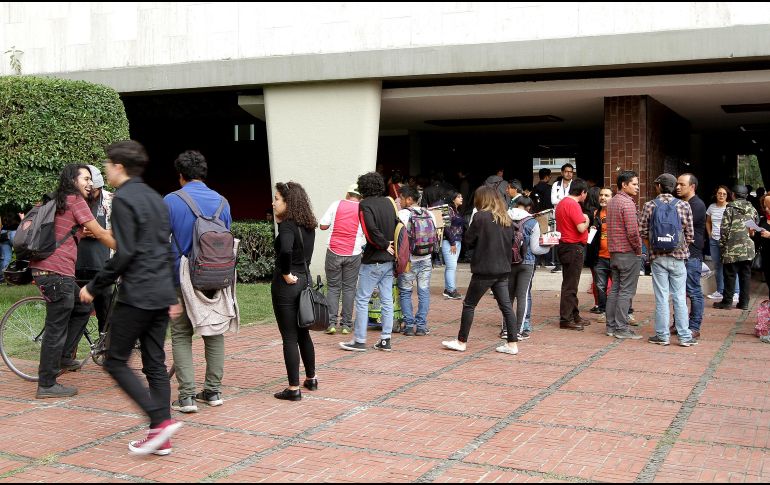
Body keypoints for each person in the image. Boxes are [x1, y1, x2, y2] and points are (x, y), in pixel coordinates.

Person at [80, 141, 182, 455]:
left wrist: (94, 287)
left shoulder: (123, 199)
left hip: (137, 294)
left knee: (115, 360)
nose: (105, 171)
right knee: (154, 364)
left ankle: (158, 421)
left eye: (108, 165)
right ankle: (161, 437)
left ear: (119, 167)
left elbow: (124, 253)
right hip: (160, 293)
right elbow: (165, 249)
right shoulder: (155, 197)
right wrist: (171, 293)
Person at [32, 164, 116, 399]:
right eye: (85, 179)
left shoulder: (61, 200)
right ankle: (47, 383)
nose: (90, 183)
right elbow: (99, 233)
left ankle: (65, 356)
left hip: (51, 271)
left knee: (83, 306)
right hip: (55, 272)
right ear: (72, 180)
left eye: (92, 179)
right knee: (55, 328)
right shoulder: (75, 200)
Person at [165, 150, 233, 413]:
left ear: (181, 176)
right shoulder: (222, 203)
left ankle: (187, 397)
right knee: (214, 332)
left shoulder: (171, 200)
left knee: (181, 334)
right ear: (203, 174)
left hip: (181, 276)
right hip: (216, 275)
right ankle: (213, 391)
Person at [441, 186, 519, 355]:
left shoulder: (480, 217)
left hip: (484, 269)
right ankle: (512, 343)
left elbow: (468, 240)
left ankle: (461, 341)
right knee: (506, 306)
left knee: (469, 304)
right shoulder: (506, 218)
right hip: (503, 268)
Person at [270, 181, 318, 401]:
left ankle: (293, 389)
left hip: (287, 285)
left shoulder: (288, 226)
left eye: (277, 198)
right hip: (304, 281)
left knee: (289, 337)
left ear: (288, 201)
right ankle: (311, 378)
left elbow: (286, 249)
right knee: (303, 333)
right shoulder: (308, 224)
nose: (273, 202)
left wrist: (286, 273)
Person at [340, 172, 397, 352]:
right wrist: (390, 246)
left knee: (363, 299)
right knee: (387, 300)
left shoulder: (364, 205)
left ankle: (359, 339)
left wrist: (383, 245)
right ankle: (385, 339)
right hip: (389, 260)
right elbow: (397, 225)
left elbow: (369, 229)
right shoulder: (389, 202)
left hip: (373, 259)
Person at [640, 173, 696, 347]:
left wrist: (652, 249)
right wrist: (678, 247)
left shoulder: (649, 205)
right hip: (678, 258)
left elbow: (642, 231)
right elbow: (690, 235)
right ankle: (685, 337)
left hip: (658, 258)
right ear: (674, 187)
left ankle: (662, 336)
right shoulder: (684, 205)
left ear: (658, 186)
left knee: (661, 297)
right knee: (680, 297)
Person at [319, 184, 365, 335]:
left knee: (333, 287)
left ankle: (331, 323)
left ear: (347, 194)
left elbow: (323, 225)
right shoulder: (363, 208)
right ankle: (346, 325)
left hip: (334, 251)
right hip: (354, 253)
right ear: (360, 196)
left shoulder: (336, 204)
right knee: (349, 288)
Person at [503, 196, 549, 340]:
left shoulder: (504, 218)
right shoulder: (532, 222)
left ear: (516, 205)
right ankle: (518, 330)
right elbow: (535, 249)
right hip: (526, 263)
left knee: (507, 296)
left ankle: (505, 329)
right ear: (529, 208)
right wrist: (548, 247)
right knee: (522, 296)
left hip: (508, 262)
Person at [604, 172, 644, 339]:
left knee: (615, 290)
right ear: (624, 185)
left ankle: (611, 326)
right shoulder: (627, 204)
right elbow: (633, 232)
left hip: (614, 252)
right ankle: (621, 328)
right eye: (634, 184)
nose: (637, 187)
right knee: (626, 291)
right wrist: (638, 249)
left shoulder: (612, 202)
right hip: (628, 253)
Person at [74, 165, 113, 333]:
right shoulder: (74, 200)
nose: (91, 192)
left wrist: (99, 232)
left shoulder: (111, 200)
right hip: (75, 264)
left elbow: (121, 229)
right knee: (75, 311)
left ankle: (104, 349)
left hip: (102, 264)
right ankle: (69, 353)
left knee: (105, 311)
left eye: (95, 190)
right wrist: (81, 232)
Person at [397, 185, 438, 336]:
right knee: (424, 291)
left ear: (408, 199)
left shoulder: (402, 214)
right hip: (426, 258)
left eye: (401, 198)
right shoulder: (429, 213)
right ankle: (421, 326)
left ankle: (408, 325)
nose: (399, 201)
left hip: (409, 260)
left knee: (406, 292)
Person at [713, 184, 758, 311]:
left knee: (730, 275)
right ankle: (744, 303)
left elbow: (724, 230)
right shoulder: (752, 209)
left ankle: (727, 302)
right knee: (745, 275)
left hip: (731, 248)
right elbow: (755, 227)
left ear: (733, 194)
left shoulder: (730, 208)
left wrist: (722, 247)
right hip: (748, 248)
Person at [554, 177, 591, 331]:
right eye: (585, 193)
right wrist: (587, 219)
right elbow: (581, 228)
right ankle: (566, 318)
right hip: (573, 247)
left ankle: (574, 315)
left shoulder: (562, 203)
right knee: (570, 285)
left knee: (570, 283)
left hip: (565, 246)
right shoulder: (573, 205)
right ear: (582, 192)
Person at [672, 173, 706, 338]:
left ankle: (694, 326)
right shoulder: (681, 203)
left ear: (692, 186)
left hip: (692, 254)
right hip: (680, 254)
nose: (677, 187)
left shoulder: (697, 205)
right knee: (679, 292)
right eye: (677, 184)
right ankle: (678, 323)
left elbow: (681, 227)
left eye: (682, 184)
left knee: (693, 291)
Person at [705, 186, 739, 302]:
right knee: (718, 266)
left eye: (724, 194)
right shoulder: (711, 207)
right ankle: (720, 291)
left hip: (727, 241)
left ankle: (736, 292)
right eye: (719, 193)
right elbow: (708, 222)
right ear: (716, 194)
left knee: (731, 266)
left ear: (727, 195)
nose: (721, 196)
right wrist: (710, 234)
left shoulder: (731, 207)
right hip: (714, 240)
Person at [586, 187, 613, 318]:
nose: (603, 197)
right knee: (600, 286)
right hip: (600, 256)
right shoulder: (596, 213)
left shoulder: (616, 213)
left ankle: (621, 311)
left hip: (614, 256)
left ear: (612, 198)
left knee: (617, 286)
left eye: (607, 195)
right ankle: (603, 311)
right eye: (601, 195)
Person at [442, 191, 465, 300]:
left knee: (451, 266)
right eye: (459, 197)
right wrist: (452, 242)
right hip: (450, 242)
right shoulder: (447, 210)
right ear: (453, 199)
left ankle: (448, 289)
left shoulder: (456, 210)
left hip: (457, 241)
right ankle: (451, 290)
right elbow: (446, 227)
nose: (461, 198)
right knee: (452, 266)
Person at [756, 195, 770, 297]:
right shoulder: (763, 220)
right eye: (765, 206)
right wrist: (753, 231)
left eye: (769, 206)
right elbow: (757, 238)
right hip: (766, 256)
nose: (766, 209)